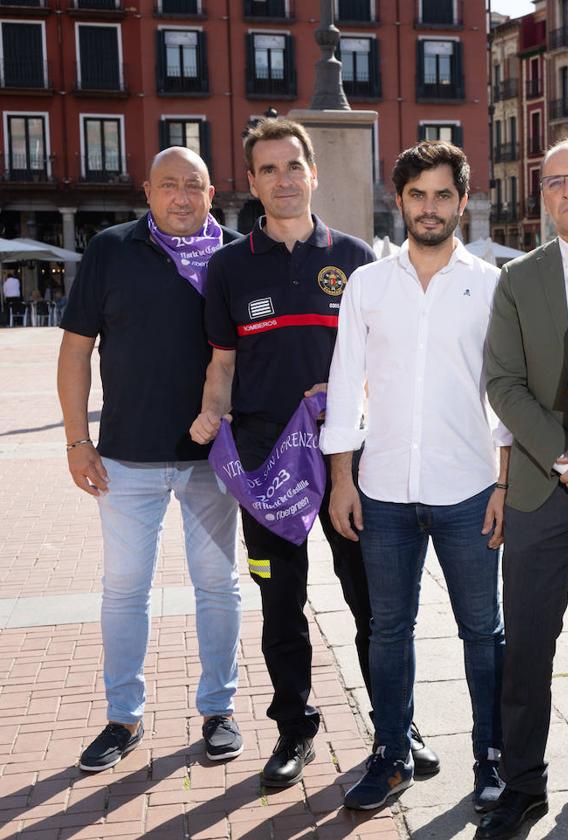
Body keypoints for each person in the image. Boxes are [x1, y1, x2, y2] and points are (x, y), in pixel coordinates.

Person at [189, 118, 437, 787]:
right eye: (268, 170)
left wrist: (351, 389)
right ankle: (295, 729)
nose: (283, 180)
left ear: (313, 172)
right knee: (280, 606)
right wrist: (212, 414)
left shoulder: (357, 257)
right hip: (269, 471)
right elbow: (222, 364)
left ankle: (397, 722)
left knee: (373, 607)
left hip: (350, 467)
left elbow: (389, 361)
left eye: (293, 166)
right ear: (252, 181)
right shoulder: (229, 267)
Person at [321, 141, 509, 812]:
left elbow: (505, 393)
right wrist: (341, 479)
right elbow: (345, 386)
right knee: (389, 628)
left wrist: (505, 486)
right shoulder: (368, 285)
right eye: (417, 195)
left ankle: (492, 755)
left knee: (482, 631)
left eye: (442, 195)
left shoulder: (490, 285)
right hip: (385, 490)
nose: (430, 208)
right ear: (398, 201)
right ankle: (391, 755)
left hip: (467, 490)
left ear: (462, 201)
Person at [57, 147, 243, 771]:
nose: (182, 197)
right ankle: (122, 719)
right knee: (124, 590)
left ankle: (219, 710)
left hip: (210, 459)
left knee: (217, 586)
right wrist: (76, 440)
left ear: (213, 192)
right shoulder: (111, 249)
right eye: (169, 185)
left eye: (194, 185)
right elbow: (77, 351)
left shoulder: (238, 256)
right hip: (125, 461)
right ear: (147, 191)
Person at [478, 138, 568, 840]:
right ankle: (523, 782)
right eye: (553, 182)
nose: (567, 191)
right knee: (529, 645)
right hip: (545, 486)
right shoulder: (520, 279)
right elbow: (502, 384)